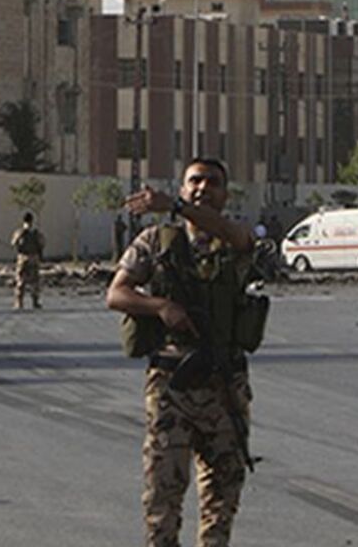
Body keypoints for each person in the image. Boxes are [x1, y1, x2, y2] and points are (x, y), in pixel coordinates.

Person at [107, 158, 258, 547]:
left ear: (226, 194)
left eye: (213, 182)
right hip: (173, 384)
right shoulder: (155, 242)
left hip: (225, 385)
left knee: (222, 496)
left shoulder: (235, 239)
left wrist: (175, 205)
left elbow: (238, 237)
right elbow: (116, 293)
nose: (203, 188)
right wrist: (160, 308)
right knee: (163, 495)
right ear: (183, 186)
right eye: (195, 181)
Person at [10, 212, 45, 310]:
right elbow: (42, 244)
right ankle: (35, 302)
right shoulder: (36, 233)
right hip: (34, 258)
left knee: (21, 280)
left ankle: (19, 302)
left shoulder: (20, 232)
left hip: (23, 258)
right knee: (34, 281)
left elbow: (13, 243)